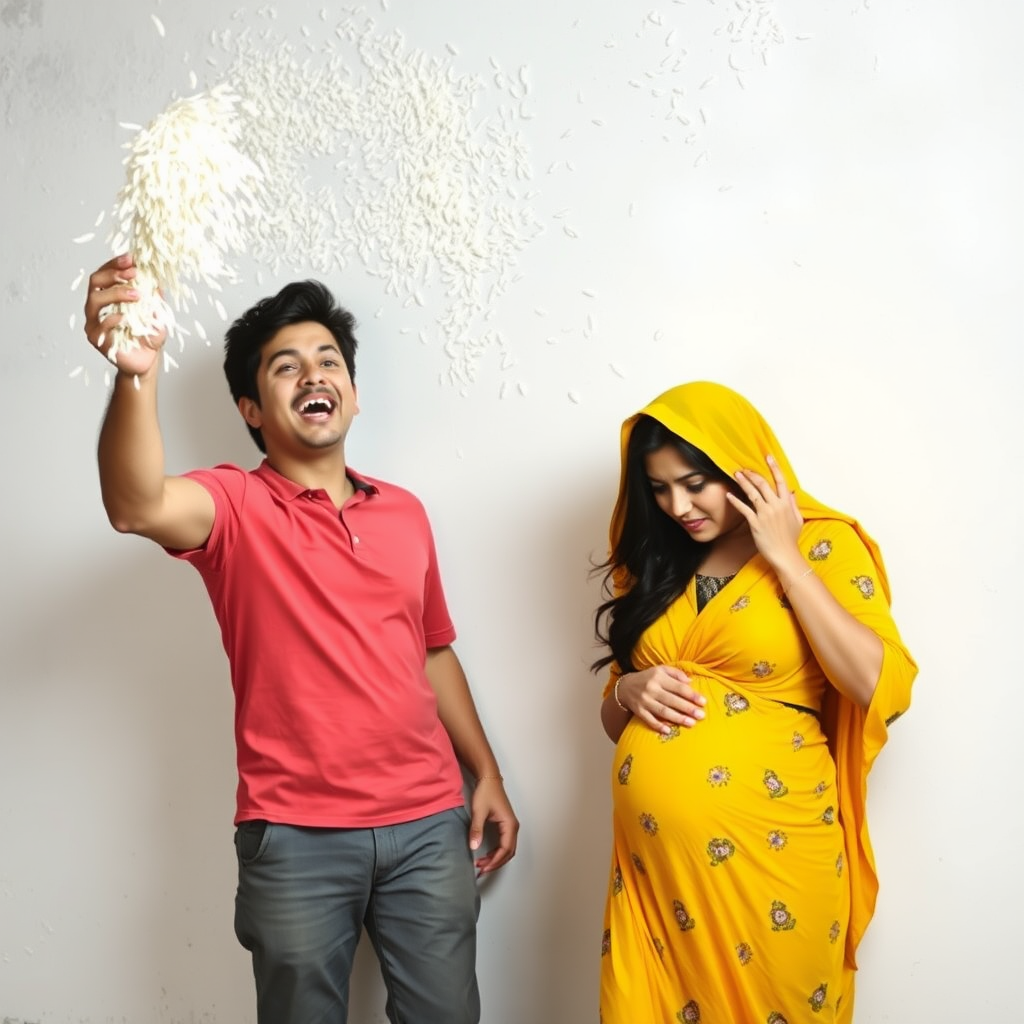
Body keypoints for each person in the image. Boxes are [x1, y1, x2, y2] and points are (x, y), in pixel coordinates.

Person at [82, 253, 519, 1024]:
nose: (313, 374)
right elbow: (135, 503)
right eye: (286, 367)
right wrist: (136, 374)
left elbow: (432, 651)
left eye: (328, 361)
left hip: (427, 825)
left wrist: (484, 773)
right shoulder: (234, 504)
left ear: (351, 390)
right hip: (296, 836)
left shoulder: (406, 513)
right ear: (253, 408)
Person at [592, 381, 916, 1024]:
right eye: (659, 489)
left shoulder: (824, 545)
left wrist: (785, 557)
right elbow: (613, 718)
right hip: (655, 880)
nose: (678, 505)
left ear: (740, 463)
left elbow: (880, 685)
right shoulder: (658, 559)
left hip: (776, 861)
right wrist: (627, 690)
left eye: (692, 483)